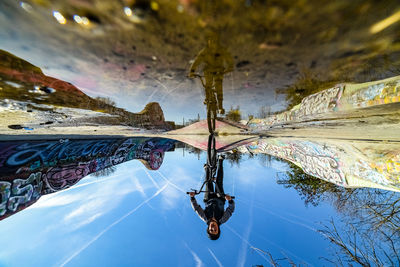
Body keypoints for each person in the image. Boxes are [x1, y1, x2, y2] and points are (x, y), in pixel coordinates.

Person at [189, 155, 235, 240]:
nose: (213, 228)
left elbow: (196, 208)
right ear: (218, 229)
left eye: (211, 230)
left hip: (209, 199)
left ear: (208, 228)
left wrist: (192, 198)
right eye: (215, 230)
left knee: (208, 183)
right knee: (219, 182)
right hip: (220, 199)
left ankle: (207, 169)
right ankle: (220, 160)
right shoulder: (222, 219)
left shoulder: (205, 218)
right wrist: (230, 201)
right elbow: (230, 210)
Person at [188, 32, 234, 115]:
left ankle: (220, 107)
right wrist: (192, 71)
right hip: (208, 70)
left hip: (219, 71)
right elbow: (197, 61)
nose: (212, 42)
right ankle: (207, 98)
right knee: (207, 85)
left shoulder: (221, 50)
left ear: (217, 42)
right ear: (208, 41)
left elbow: (229, 58)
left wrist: (230, 66)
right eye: (210, 40)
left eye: (214, 41)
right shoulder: (205, 51)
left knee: (219, 87)